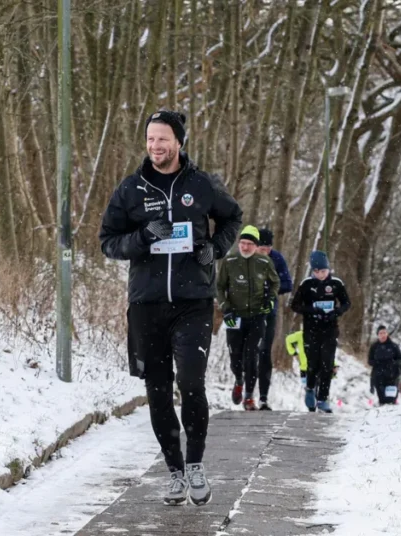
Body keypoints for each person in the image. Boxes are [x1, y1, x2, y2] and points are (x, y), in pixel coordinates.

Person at [100, 110, 242, 506]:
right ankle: (175, 471)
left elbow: (233, 218)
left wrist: (214, 249)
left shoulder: (200, 184)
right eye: (150, 139)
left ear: (179, 142)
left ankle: (196, 464)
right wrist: (143, 236)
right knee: (158, 393)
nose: (155, 146)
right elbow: (108, 242)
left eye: (163, 139)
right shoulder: (131, 190)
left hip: (193, 302)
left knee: (191, 384)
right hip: (146, 305)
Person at [216, 225, 279, 411]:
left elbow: (275, 283)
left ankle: (249, 396)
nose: (244, 247)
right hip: (234, 316)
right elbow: (219, 287)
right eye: (242, 243)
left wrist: (269, 300)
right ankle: (238, 379)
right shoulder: (229, 261)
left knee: (252, 356)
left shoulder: (264, 262)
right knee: (236, 356)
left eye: (249, 244)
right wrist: (225, 308)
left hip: (257, 316)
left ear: (256, 245)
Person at [290, 251, 350, 413]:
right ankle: (310, 388)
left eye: (323, 271)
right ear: (313, 271)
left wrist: (336, 312)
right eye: (317, 272)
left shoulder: (336, 284)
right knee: (313, 364)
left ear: (328, 269)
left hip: (330, 329)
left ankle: (323, 398)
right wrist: (311, 310)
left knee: (327, 364)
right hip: (311, 329)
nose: (320, 275)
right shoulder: (307, 284)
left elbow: (346, 303)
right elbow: (294, 305)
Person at [256, 228, 292, 410]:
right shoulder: (245, 256)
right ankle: (245, 386)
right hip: (247, 311)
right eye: (261, 247)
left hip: (269, 310)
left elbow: (287, 283)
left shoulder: (276, 258)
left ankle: (263, 396)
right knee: (246, 353)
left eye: (268, 248)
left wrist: (270, 289)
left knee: (264, 352)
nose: (265, 251)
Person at [368, 325, 401, 405]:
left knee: (391, 401)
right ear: (378, 335)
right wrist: (371, 385)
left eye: (384, 333)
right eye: (380, 333)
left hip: (392, 378)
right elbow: (370, 361)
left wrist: (392, 363)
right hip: (379, 378)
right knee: (382, 401)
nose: (383, 335)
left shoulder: (394, 346)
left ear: (387, 334)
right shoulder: (374, 347)